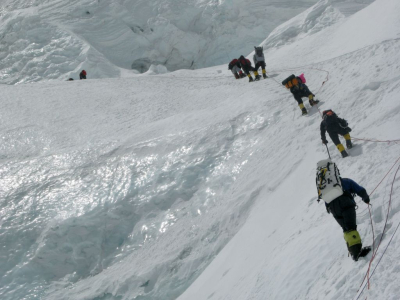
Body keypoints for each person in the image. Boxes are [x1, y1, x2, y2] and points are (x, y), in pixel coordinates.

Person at [324, 177, 371, 261]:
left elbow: (326, 201)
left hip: (333, 209)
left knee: (346, 229)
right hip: (346, 204)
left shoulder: (326, 187)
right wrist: (366, 199)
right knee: (351, 228)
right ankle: (357, 254)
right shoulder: (345, 181)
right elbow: (360, 190)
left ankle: (353, 250)